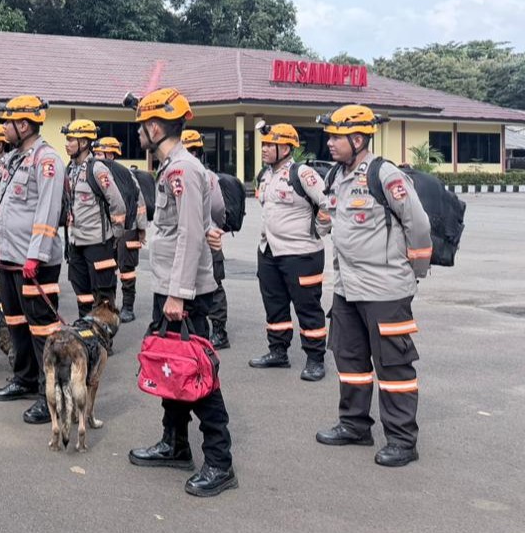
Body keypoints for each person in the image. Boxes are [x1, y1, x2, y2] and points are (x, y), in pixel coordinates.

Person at [126, 88, 237, 498]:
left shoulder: (183, 170)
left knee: (197, 373)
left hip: (183, 292)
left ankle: (220, 462)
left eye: (142, 126)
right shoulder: (171, 166)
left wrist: (178, 294)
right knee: (170, 367)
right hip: (171, 286)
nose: (139, 133)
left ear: (156, 128)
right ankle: (174, 443)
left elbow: (191, 233)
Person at [314, 105, 431, 467]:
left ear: (358, 139)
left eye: (336, 137)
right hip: (347, 288)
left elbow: (418, 224)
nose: (330, 142)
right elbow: (330, 220)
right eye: (330, 136)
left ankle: (402, 440)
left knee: (393, 368)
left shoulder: (385, 174)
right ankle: (354, 425)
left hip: (385, 291)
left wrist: (412, 274)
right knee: (349, 360)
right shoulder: (335, 175)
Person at [0, 95, 65, 425]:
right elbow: (2, 204)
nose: (3, 127)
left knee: (43, 330)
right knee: (16, 323)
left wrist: (36, 256)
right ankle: (24, 378)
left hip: (33, 263)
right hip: (9, 258)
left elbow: (48, 211)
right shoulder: (15, 159)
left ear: (25, 125)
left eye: (8, 122)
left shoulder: (47, 160)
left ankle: (51, 395)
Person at [251, 124, 332, 381]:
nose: (264, 149)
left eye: (269, 145)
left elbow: (328, 203)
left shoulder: (303, 174)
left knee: (308, 307)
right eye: (263, 144)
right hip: (269, 251)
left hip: (301, 254)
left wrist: (319, 230)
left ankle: (315, 359)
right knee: (274, 305)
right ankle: (278, 351)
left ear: (285, 148)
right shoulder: (266, 175)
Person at [61, 120, 127, 319]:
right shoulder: (69, 170)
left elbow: (117, 204)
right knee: (82, 293)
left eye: (71, 139)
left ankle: (103, 332)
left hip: (98, 243)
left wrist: (114, 236)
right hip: (76, 243)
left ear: (83, 143)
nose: (67, 144)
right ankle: (85, 328)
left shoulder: (97, 169)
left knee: (103, 295)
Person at [183, 129, 230, 349]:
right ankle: (205, 330)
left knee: (214, 285)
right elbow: (219, 209)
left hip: (205, 239)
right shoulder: (206, 174)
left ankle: (218, 331)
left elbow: (218, 208)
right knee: (202, 284)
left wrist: (211, 227)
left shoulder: (199, 174)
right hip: (199, 238)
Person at [96, 136, 147, 323]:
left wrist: (141, 228)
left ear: (111, 155)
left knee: (127, 269)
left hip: (128, 228)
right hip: (107, 230)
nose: (96, 157)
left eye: (100, 153)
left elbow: (139, 201)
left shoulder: (125, 174)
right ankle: (108, 307)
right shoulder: (97, 174)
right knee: (106, 269)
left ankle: (127, 307)